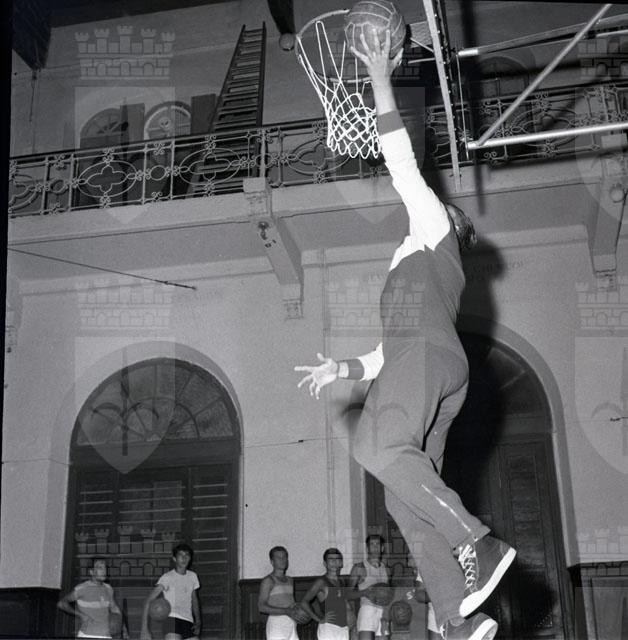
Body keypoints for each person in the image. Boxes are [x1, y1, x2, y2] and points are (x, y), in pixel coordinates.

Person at [294, 28, 516, 640]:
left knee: (376, 447)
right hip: (433, 367)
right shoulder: (421, 274)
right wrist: (343, 369)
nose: (423, 205)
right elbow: (384, 353)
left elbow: (400, 161)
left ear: (448, 223)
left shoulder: (432, 230)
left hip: (427, 361)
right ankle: (458, 619)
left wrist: (379, 77)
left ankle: (478, 542)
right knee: (403, 497)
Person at [140, 543, 201, 640]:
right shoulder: (167, 577)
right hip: (171, 620)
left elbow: (194, 600)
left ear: (190, 558)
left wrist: (198, 621)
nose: (184, 558)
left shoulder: (193, 576)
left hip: (188, 621)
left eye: (187, 555)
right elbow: (148, 600)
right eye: (180, 555)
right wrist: (144, 629)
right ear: (174, 559)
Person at [57, 557, 128, 639]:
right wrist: (80, 615)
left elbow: (114, 609)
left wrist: (123, 628)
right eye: (100, 567)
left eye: (105, 567)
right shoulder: (82, 588)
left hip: (106, 636)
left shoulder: (108, 588)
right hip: (88, 635)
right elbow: (61, 603)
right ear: (91, 572)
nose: (104, 571)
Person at [300, 548, 354, 640]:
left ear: (341, 563)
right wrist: (319, 619)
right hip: (329, 628)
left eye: (337, 559)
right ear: (325, 563)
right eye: (331, 559)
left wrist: (352, 621)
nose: (334, 562)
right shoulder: (321, 582)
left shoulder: (342, 581)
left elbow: (346, 605)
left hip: (344, 628)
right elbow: (304, 602)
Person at [348, 535, 389, 640]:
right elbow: (347, 594)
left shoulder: (386, 569)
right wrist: (364, 592)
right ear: (367, 548)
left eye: (378, 544)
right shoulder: (359, 568)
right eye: (372, 544)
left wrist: (386, 616)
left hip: (383, 612)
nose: (375, 547)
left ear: (382, 548)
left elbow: (389, 595)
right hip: (367, 610)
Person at [258, 546, 301, 640]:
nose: (282, 560)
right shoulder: (268, 580)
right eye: (278, 557)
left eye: (284, 557)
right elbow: (261, 607)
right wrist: (286, 611)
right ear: (272, 562)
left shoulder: (290, 580)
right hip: (277, 624)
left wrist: (299, 609)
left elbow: (290, 603)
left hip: (292, 623)